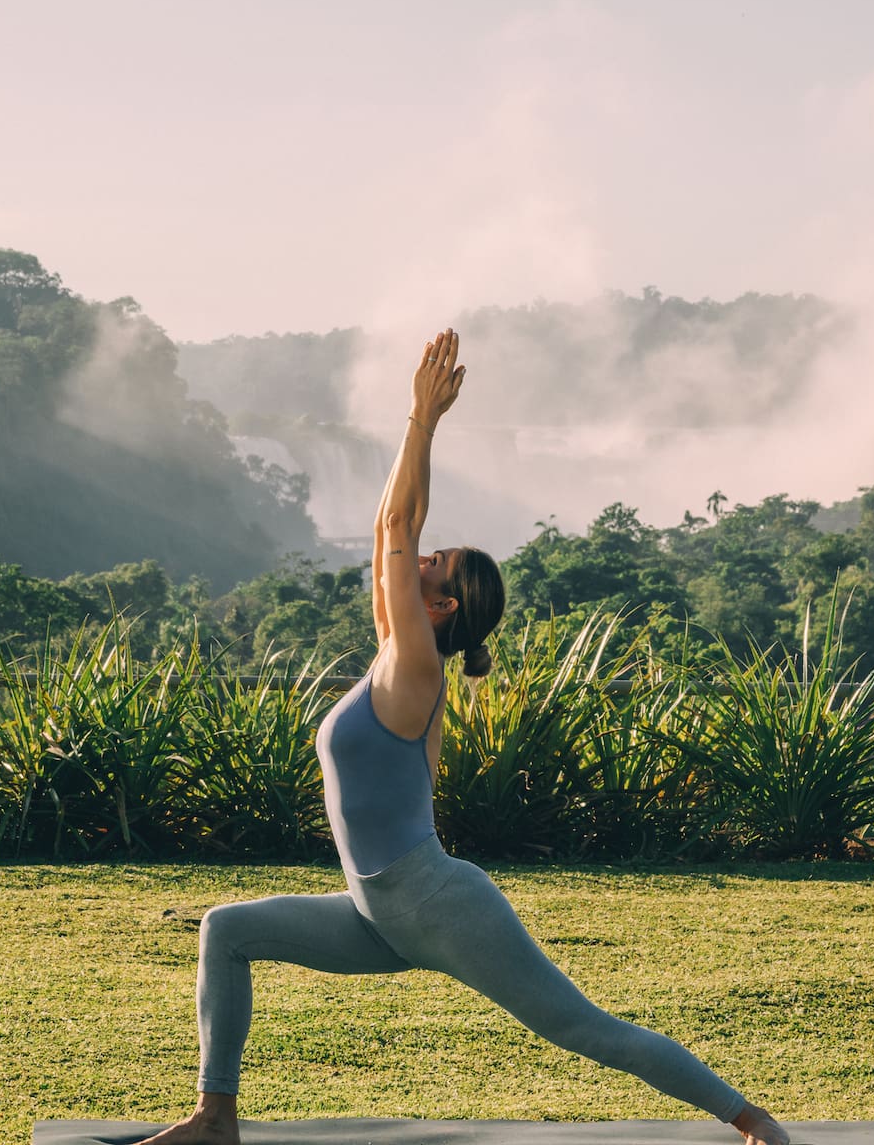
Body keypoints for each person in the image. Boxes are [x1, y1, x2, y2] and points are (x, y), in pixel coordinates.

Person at [143, 330, 789, 1145]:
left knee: (585, 1030)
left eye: (433, 562)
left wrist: (423, 421)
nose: (416, 556)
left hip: (436, 903)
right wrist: (415, 427)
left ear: (443, 607)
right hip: (379, 911)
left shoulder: (416, 671)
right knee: (226, 928)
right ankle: (215, 1118)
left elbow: (394, 533)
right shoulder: (394, 652)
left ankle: (753, 1120)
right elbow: (390, 525)